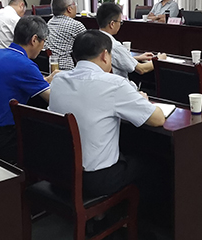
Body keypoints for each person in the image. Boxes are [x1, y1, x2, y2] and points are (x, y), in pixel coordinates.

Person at [49, 31, 165, 197]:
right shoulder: (114, 83)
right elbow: (158, 119)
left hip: (60, 173)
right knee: (154, 161)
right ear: (105, 55)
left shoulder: (58, 80)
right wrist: (142, 100)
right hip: (96, 180)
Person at [0, 16, 58, 162]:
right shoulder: (25, 65)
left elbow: (14, 80)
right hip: (2, 136)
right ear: (34, 39)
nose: (43, 47)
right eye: (44, 41)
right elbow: (54, 99)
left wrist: (46, 80)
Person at [97, 3, 166, 79]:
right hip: (119, 84)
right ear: (112, 24)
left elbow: (116, 60)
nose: (120, 25)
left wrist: (137, 58)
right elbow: (141, 69)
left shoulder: (94, 39)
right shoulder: (114, 46)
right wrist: (159, 59)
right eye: (120, 22)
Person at [44, 0, 86, 70]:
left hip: (51, 67)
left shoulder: (49, 23)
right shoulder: (76, 25)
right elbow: (90, 47)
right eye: (75, 4)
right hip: (69, 69)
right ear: (69, 9)